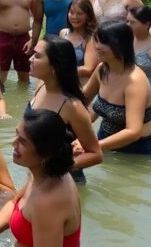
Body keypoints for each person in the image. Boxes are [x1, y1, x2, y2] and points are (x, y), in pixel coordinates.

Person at [0, 110, 81, 247]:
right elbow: (14, 202)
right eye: (17, 134)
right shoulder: (42, 174)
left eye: (22, 141)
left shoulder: (47, 203)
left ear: (45, 154)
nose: (13, 143)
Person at [26, 37, 103, 183]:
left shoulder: (72, 106)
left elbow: (96, 154)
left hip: (63, 181)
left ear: (54, 66)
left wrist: (54, 169)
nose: (30, 59)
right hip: (37, 178)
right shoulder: (41, 86)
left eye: (37, 56)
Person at [82, 21, 151, 155]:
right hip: (104, 141)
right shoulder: (103, 69)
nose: (97, 47)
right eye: (96, 41)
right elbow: (81, 100)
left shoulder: (135, 81)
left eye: (103, 42)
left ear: (120, 45)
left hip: (138, 150)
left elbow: (133, 131)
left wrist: (92, 145)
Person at [59, 0, 100, 80]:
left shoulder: (91, 39)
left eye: (79, 13)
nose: (74, 17)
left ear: (88, 16)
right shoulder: (63, 33)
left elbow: (88, 69)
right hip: (62, 82)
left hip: (81, 84)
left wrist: (60, 71)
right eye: (71, 12)